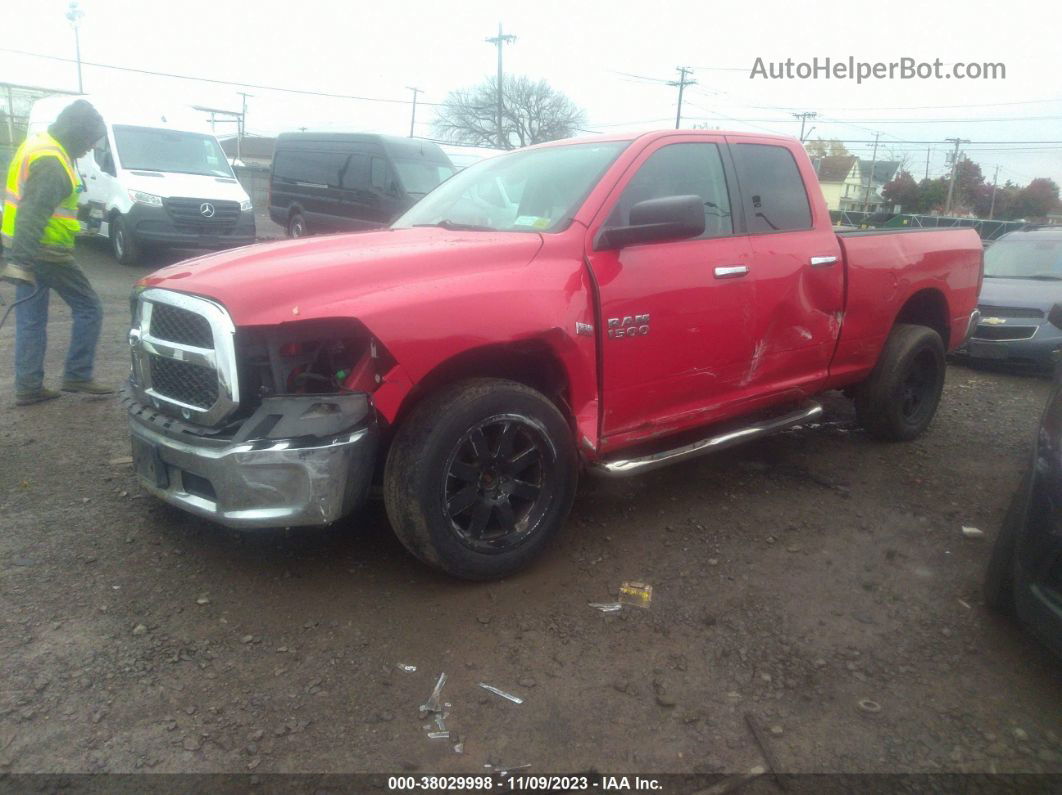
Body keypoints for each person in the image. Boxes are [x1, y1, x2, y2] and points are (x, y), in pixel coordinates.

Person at [1, 99, 114, 406]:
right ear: (76, 133)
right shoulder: (52, 161)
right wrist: (21, 261)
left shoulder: (41, 145)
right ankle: (78, 373)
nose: (90, 147)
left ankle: (28, 385)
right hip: (45, 252)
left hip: (25, 249)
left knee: (31, 319)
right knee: (90, 307)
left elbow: (39, 204)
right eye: (89, 140)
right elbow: (33, 212)